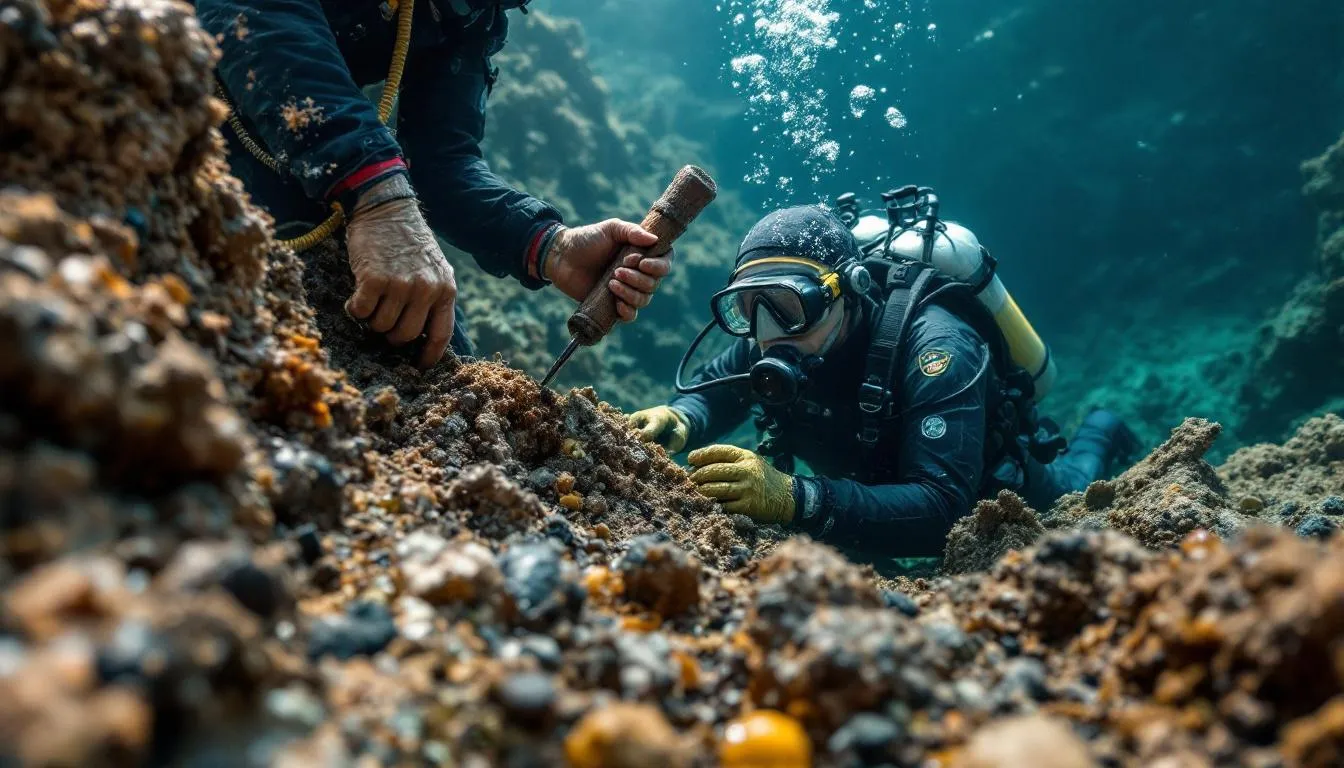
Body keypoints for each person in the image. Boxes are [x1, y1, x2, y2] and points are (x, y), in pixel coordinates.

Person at [628, 204, 1137, 564]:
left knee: (1075, 495)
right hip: (867, 493)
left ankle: (1102, 428)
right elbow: (714, 388)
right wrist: (680, 418)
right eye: (747, 308)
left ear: (849, 290)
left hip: (991, 488)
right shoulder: (778, 334)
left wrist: (794, 498)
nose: (766, 334)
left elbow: (944, 508)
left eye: (786, 305)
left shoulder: (937, 346)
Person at [197, 0, 669, 368]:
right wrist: (378, 198)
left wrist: (547, 244)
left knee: (437, 354)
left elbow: (440, 159)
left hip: (281, 146)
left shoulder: (470, 14)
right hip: (160, 93)